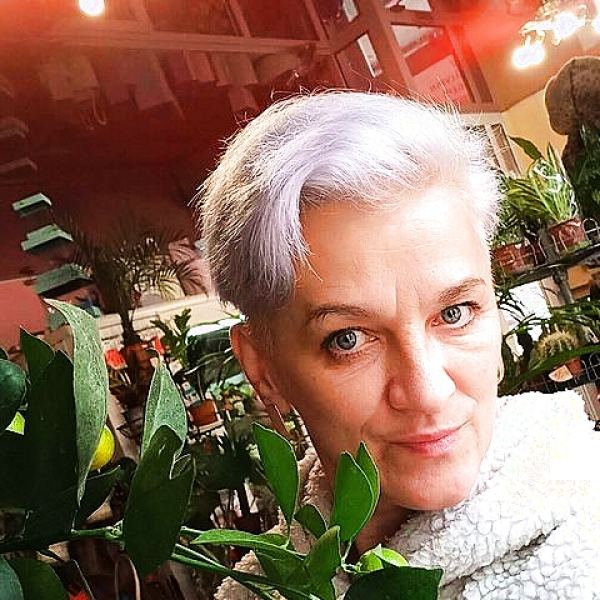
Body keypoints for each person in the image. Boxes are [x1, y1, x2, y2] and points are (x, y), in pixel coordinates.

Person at [198, 92, 600, 599]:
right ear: (264, 370)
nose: (428, 391)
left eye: (455, 313)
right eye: (348, 339)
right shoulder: (261, 587)